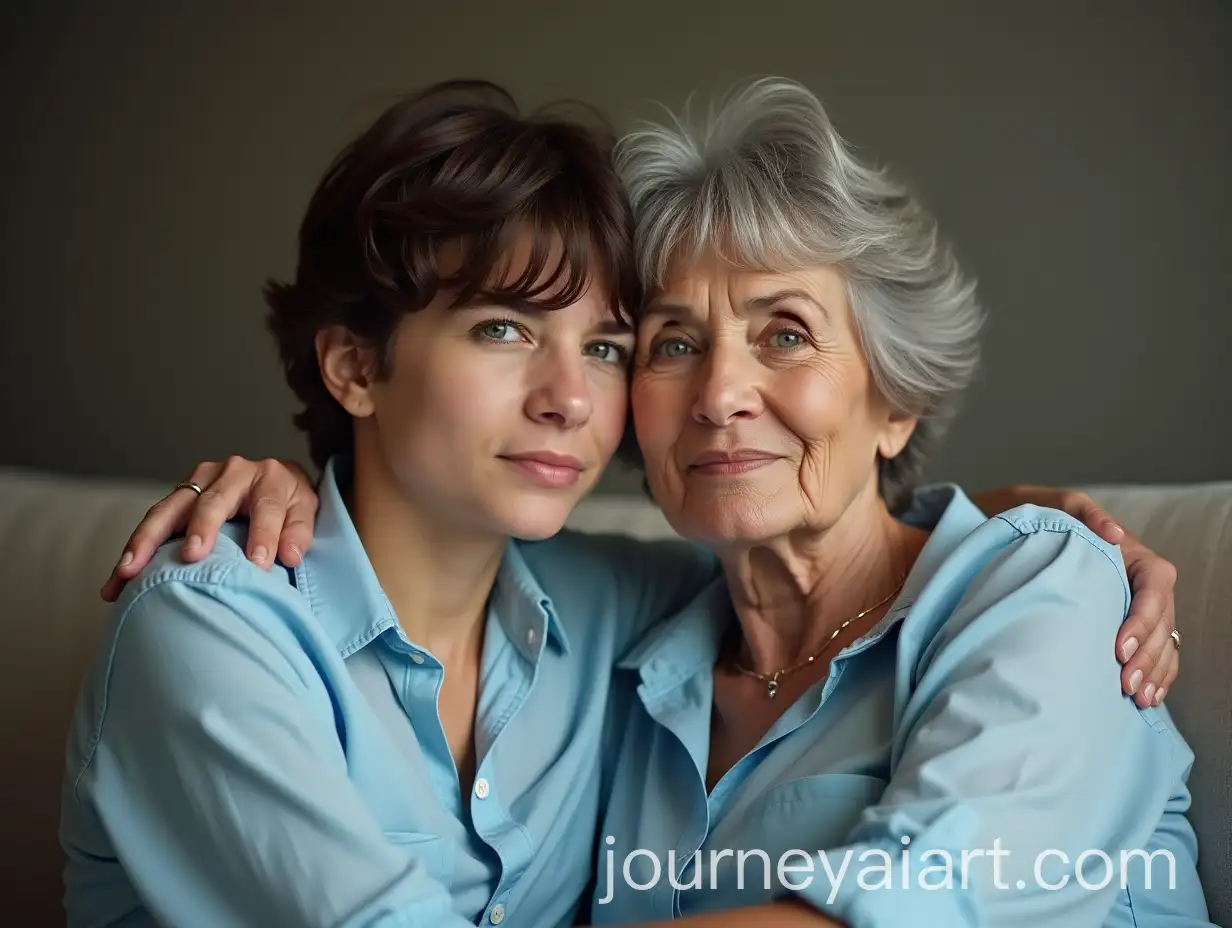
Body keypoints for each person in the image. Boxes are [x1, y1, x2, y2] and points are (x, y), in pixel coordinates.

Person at [84, 79, 1187, 928]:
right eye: (666, 344)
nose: (717, 396)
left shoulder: (1038, 592)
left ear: (895, 398)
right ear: (354, 369)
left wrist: (1032, 532)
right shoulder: (620, 631)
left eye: (785, 333)